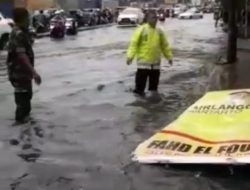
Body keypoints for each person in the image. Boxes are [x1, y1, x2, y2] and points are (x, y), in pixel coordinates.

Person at [7, 8, 42, 123]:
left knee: (24, 101)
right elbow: (22, 56)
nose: (29, 20)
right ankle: (22, 133)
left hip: (20, 74)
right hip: (20, 74)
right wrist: (34, 72)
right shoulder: (19, 33)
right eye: (27, 18)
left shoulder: (17, 31)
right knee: (23, 105)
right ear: (22, 19)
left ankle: (24, 133)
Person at [126, 11, 173, 96]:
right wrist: (130, 57)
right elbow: (134, 44)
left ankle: (152, 104)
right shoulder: (141, 30)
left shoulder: (159, 31)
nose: (155, 20)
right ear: (147, 19)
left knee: (153, 90)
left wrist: (169, 57)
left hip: (155, 66)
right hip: (143, 66)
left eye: (156, 18)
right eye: (152, 18)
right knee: (139, 91)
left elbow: (164, 46)